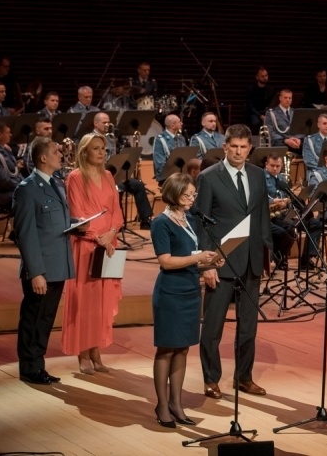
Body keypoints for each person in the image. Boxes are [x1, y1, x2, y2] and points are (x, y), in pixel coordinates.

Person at [195, 124, 273, 400]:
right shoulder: (208, 177)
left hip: (251, 259)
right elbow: (201, 224)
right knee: (213, 326)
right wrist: (205, 265)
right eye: (234, 147)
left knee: (249, 326)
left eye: (244, 147)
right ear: (225, 146)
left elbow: (262, 215)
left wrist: (267, 255)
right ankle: (211, 379)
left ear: (249, 148)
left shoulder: (258, 174)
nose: (239, 152)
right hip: (221, 261)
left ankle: (244, 377)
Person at [150, 173, 220, 428]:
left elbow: (191, 254)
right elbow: (166, 261)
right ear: (173, 194)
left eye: (193, 194)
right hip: (170, 293)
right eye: (187, 194)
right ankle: (161, 404)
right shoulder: (161, 223)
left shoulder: (188, 220)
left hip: (191, 290)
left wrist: (210, 261)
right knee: (167, 348)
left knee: (182, 348)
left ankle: (176, 403)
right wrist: (198, 258)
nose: (192, 199)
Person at [13, 136, 78, 385]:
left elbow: (58, 222)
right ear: (43, 157)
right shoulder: (27, 189)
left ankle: (37, 365)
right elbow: (26, 234)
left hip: (58, 265)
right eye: (55, 152)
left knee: (46, 319)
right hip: (41, 269)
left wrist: (78, 225)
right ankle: (29, 368)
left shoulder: (56, 184)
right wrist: (36, 272)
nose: (60, 155)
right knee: (33, 318)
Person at [63, 132, 124, 374]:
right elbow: (78, 215)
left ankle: (96, 350)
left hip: (109, 245)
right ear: (85, 151)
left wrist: (111, 233)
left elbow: (116, 212)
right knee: (86, 301)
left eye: (103, 148)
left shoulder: (109, 176)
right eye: (96, 148)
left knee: (103, 301)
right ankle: (83, 352)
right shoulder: (75, 178)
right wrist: (97, 237)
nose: (101, 152)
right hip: (87, 247)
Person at [92, 112, 152, 228]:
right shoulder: (91, 139)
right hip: (100, 176)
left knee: (138, 185)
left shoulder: (111, 137)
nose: (107, 125)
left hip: (116, 174)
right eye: (104, 122)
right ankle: (116, 224)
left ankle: (145, 220)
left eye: (108, 122)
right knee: (117, 189)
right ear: (95, 124)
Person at [264, 153, 323, 270]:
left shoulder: (281, 178)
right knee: (290, 228)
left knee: (315, 224)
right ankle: (278, 259)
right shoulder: (260, 177)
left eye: (278, 166)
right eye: (272, 165)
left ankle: (306, 259)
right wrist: (273, 202)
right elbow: (258, 196)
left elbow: (288, 196)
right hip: (271, 215)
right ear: (266, 165)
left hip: (285, 213)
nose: (275, 168)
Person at [0, 119, 24, 209]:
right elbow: (3, 181)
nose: (10, 135)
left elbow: (16, 173)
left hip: (14, 189)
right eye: (8, 133)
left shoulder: (5, 150)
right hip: (5, 195)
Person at [264, 89, 302, 154]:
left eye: (290, 98)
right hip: (280, 142)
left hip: (294, 141)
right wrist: (285, 140)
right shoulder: (271, 113)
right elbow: (270, 132)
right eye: (285, 98)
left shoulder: (295, 112)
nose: (288, 100)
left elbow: (301, 129)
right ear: (280, 98)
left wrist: (298, 139)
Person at [153, 113, 187, 184]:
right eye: (179, 122)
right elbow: (160, 163)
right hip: (166, 174)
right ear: (172, 125)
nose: (182, 123)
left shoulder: (181, 138)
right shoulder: (160, 139)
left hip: (181, 171)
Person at [244, 66, 273, 132]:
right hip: (254, 113)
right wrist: (260, 116)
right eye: (262, 76)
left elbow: (272, 104)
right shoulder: (251, 89)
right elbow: (250, 107)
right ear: (257, 77)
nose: (265, 78)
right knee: (255, 121)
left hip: (266, 112)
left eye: (266, 75)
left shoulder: (270, 89)